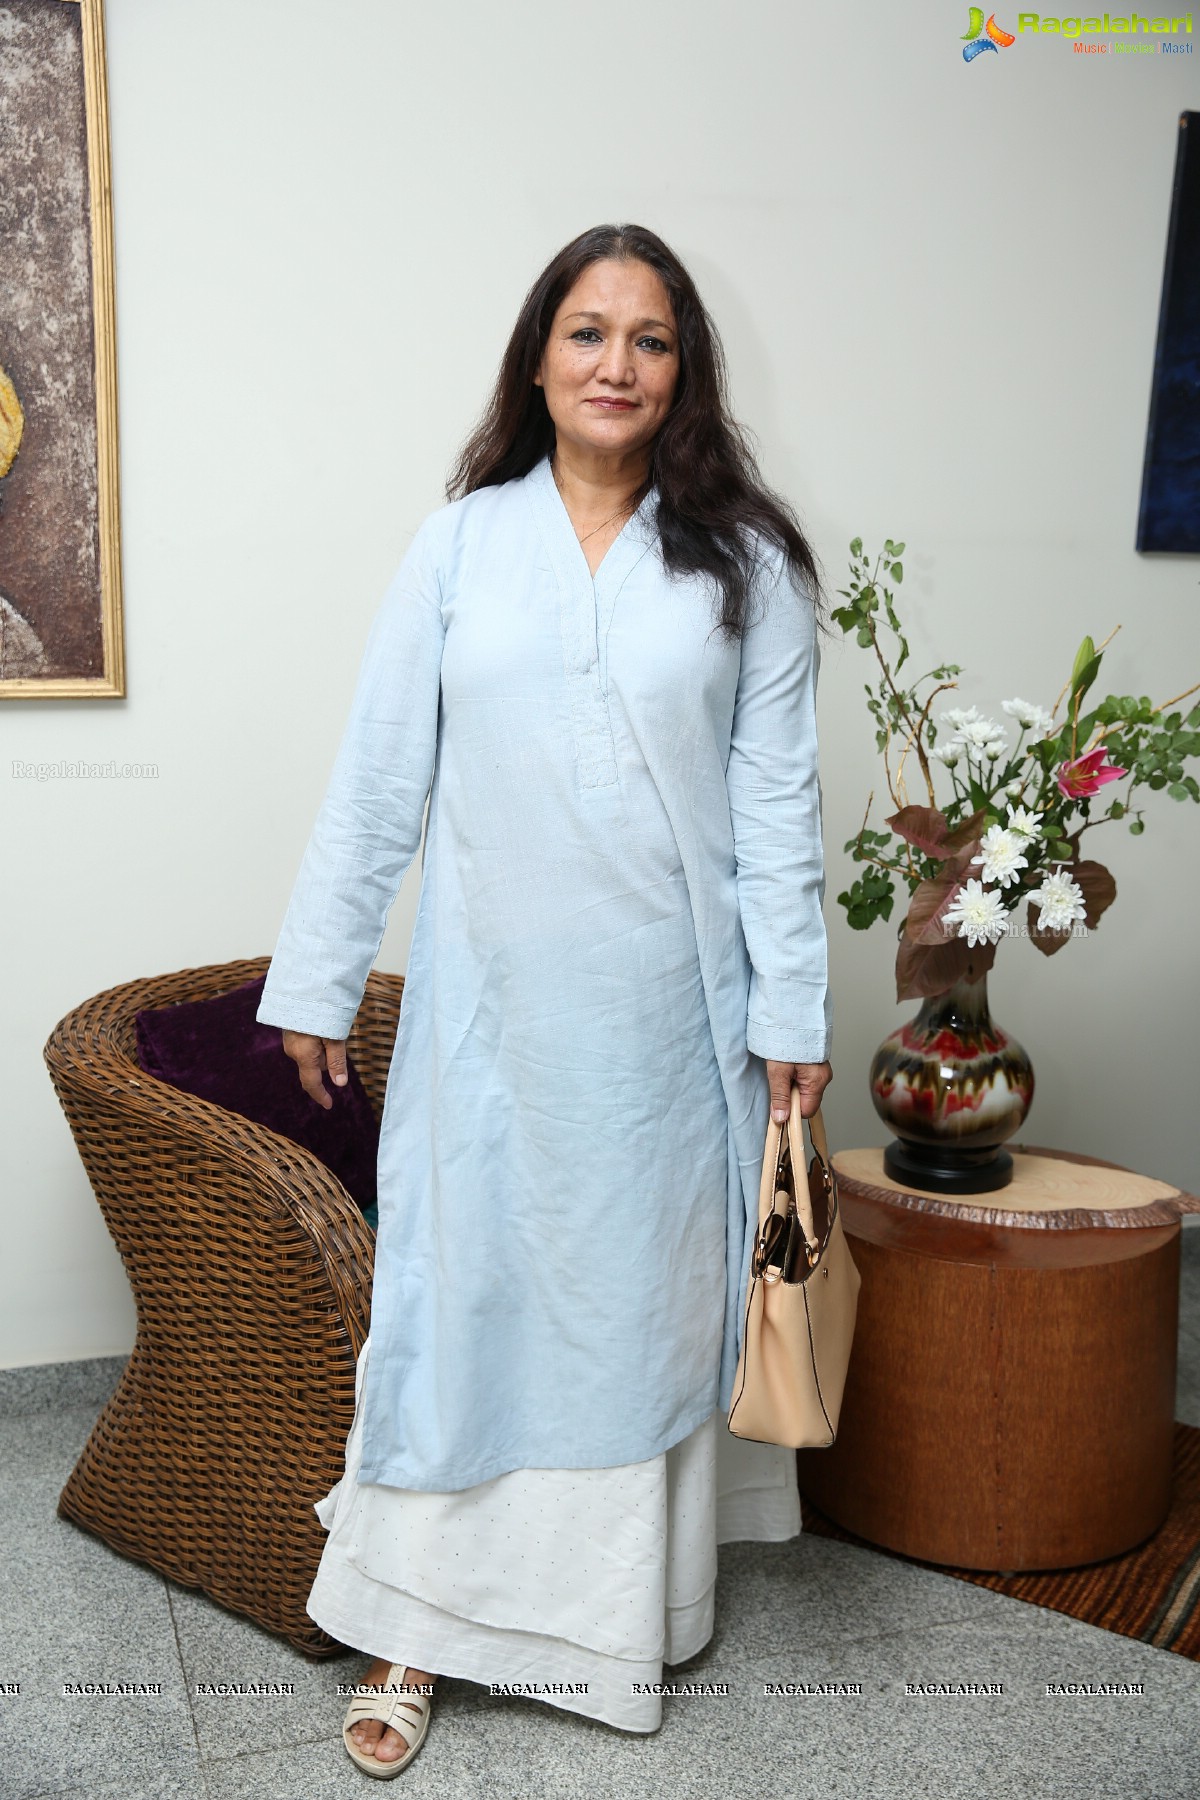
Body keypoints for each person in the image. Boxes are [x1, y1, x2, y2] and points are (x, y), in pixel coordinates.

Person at [256, 221, 833, 1776]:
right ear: (538, 357)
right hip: (490, 1013)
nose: (617, 365)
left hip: (669, 1020)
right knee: (468, 1300)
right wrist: (315, 974)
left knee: (635, 1311)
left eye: (649, 340)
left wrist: (794, 1023)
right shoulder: (460, 546)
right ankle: (410, 1630)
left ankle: (605, 1629)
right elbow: (381, 777)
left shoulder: (752, 565)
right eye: (589, 333)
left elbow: (779, 807)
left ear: (684, 372)